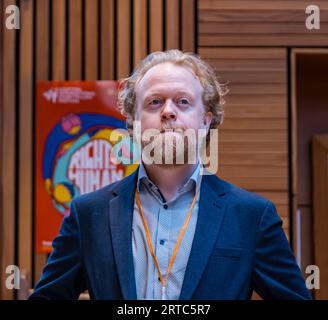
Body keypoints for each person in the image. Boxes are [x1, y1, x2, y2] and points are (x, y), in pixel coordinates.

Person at [29, 50, 311, 300]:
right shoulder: (88, 213)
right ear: (133, 121)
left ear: (205, 119)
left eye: (183, 101)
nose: (167, 112)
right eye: (154, 102)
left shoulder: (252, 216)